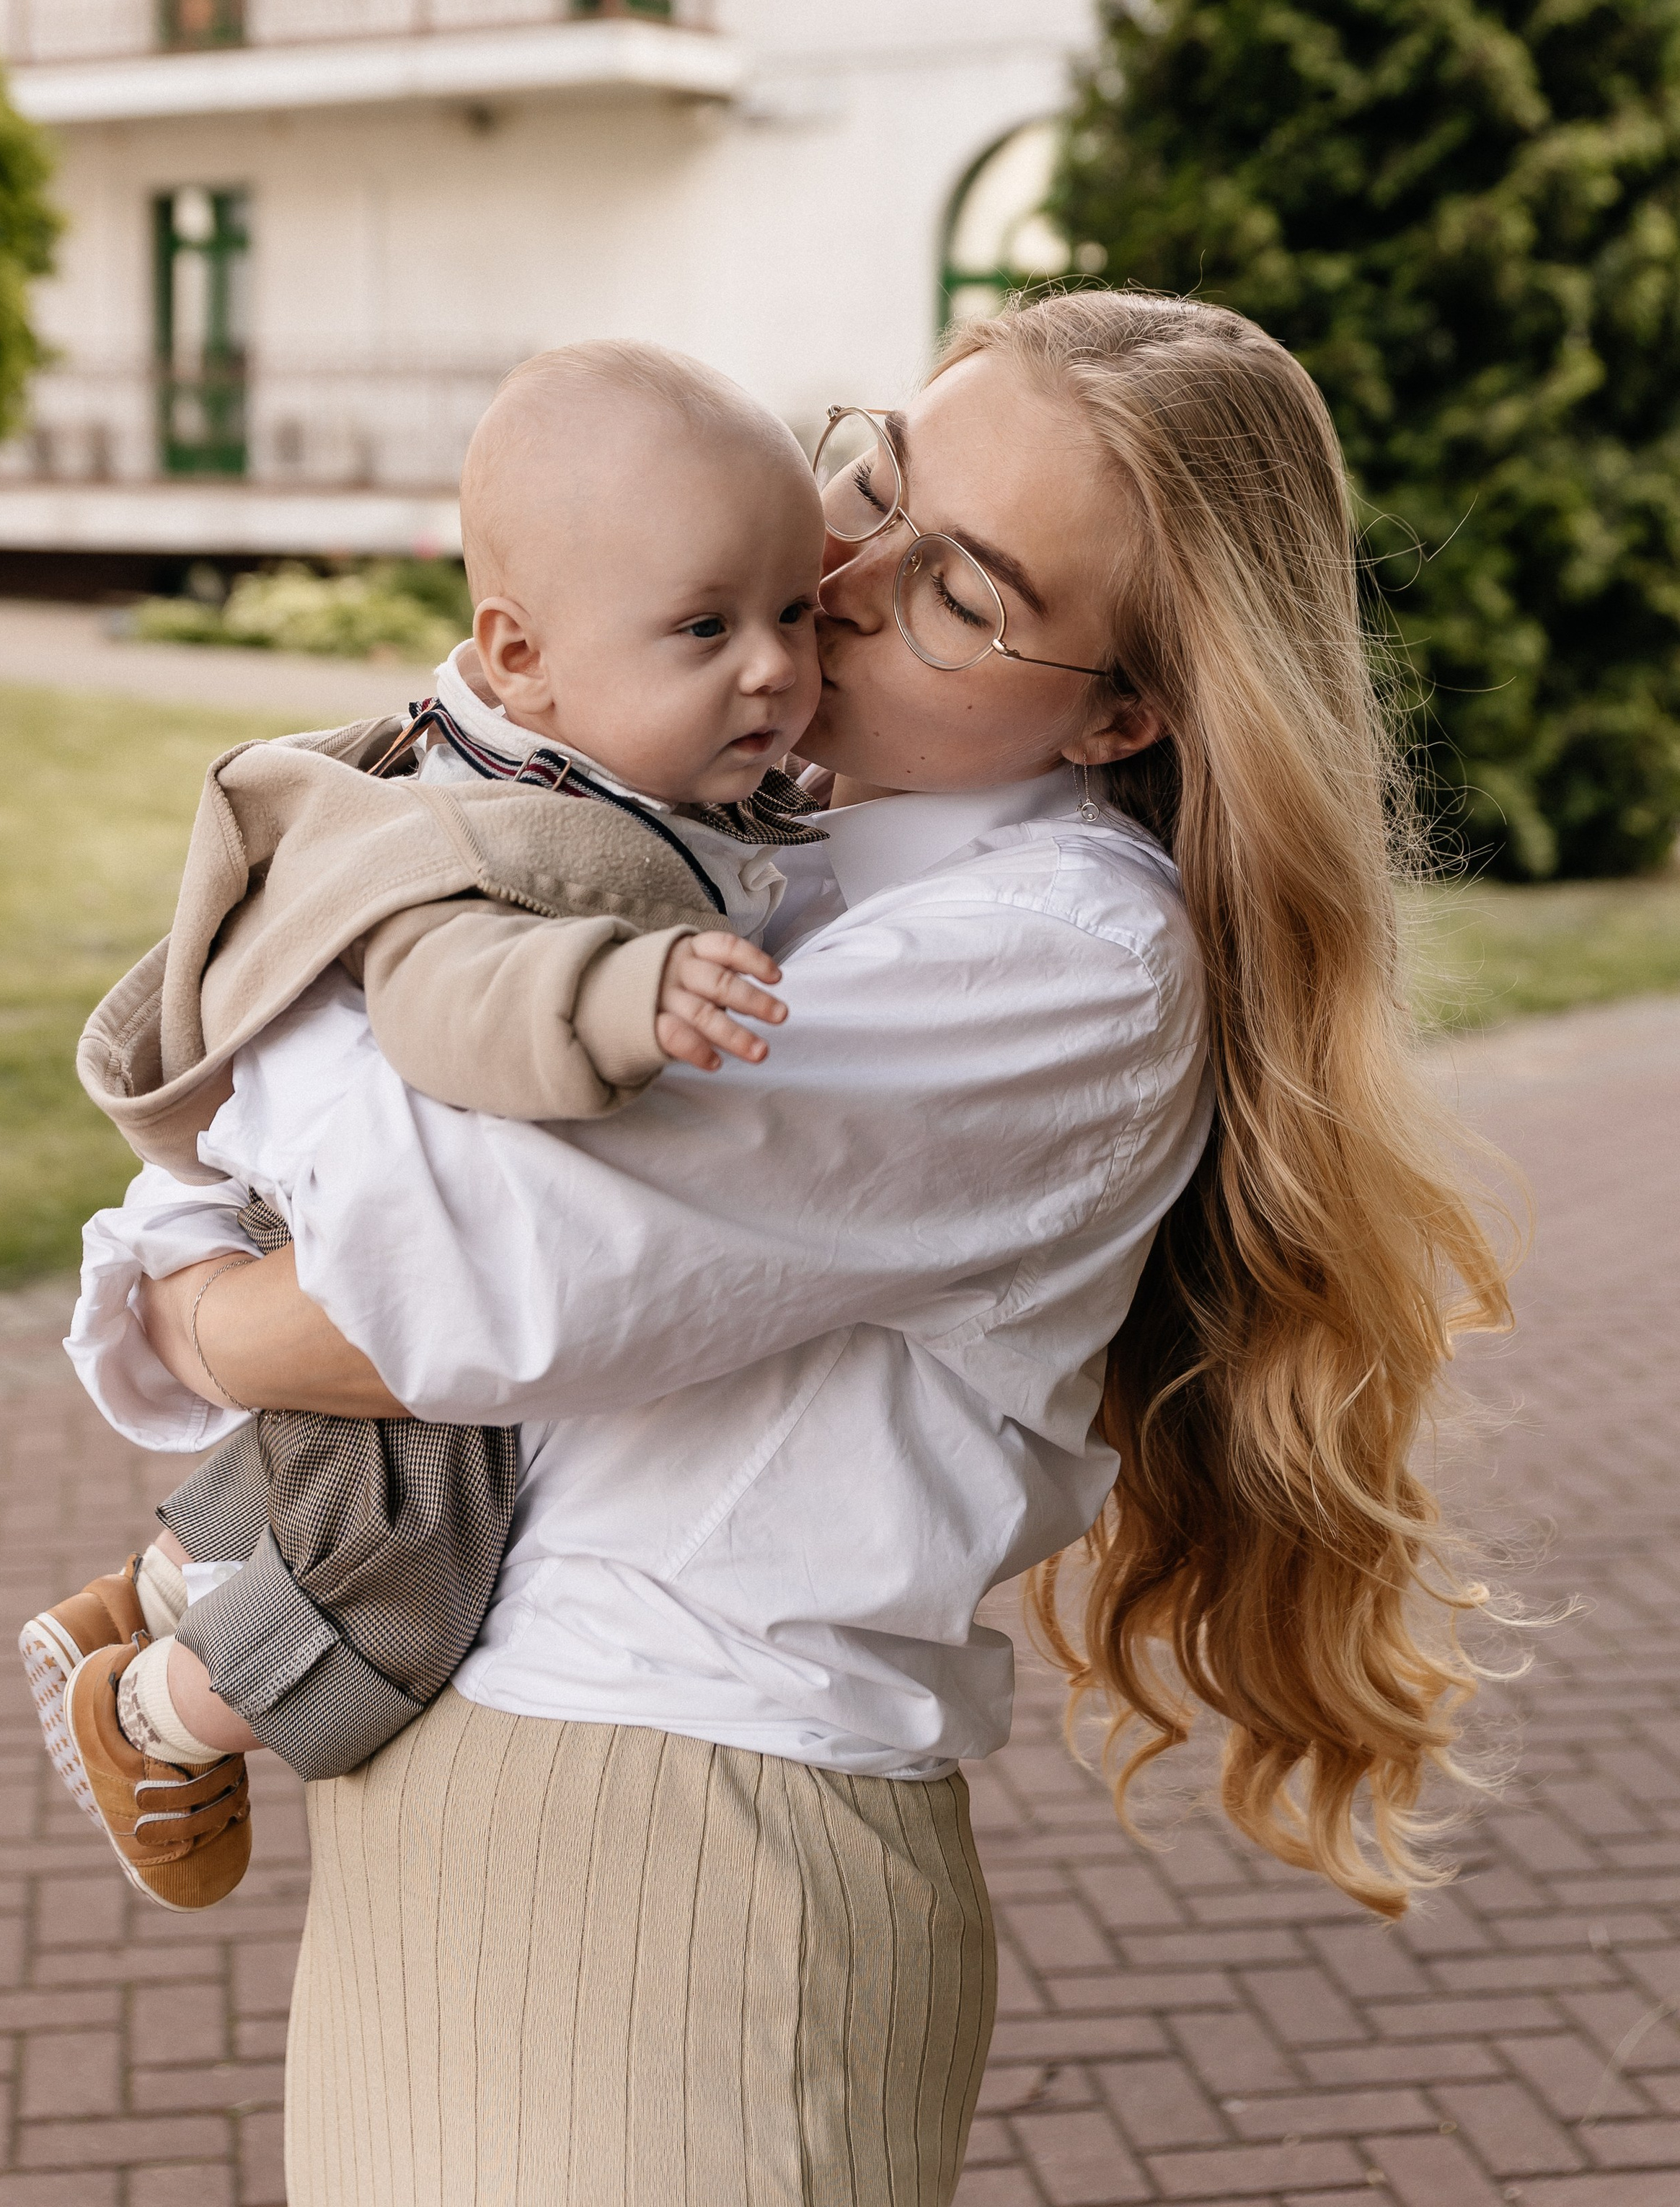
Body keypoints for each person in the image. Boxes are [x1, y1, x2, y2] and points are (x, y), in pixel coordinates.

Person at [122, 291, 1510, 2207]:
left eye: (962, 590)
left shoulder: (1058, 954)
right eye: (874, 479)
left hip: (686, 1847)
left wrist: (187, 1290)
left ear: (1127, 710)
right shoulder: (775, 845)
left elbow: (438, 1284)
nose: (838, 577)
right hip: (487, 1781)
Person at [30, 341, 827, 1908]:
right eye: (704, 627)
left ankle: (158, 1587)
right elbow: (447, 995)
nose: (772, 668)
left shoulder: (604, 757)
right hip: (371, 1232)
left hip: (365, 1224)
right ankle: (153, 1715)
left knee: (347, 1482)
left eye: (794, 611)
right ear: (518, 656)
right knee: (402, 1570)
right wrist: (618, 996)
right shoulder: (496, 832)